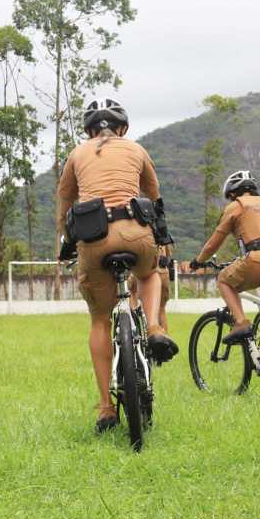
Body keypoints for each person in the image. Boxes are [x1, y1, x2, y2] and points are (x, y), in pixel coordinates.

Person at [57, 97, 178, 433]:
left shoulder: (77, 153)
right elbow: (154, 196)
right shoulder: (136, 149)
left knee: (100, 320)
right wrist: (162, 233)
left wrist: (66, 242)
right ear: (122, 128)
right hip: (135, 233)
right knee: (150, 273)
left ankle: (106, 409)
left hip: (94, 239)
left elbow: (65, 201)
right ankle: (154, 328)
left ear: (89, 130)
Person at [190, 171, 260, 384]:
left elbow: (213, 244)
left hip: (259, 259)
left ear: (232, 192)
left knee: (223, 279)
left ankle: (240, 322)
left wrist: (198, 262)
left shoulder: (237, 205)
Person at [128, 245, 173, 333]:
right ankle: (164, 333)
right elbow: (167, 255)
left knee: (130, 287)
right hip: (164, 273)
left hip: (149, 269)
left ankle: (134, 317)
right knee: (161, 308)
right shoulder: (163, 236)